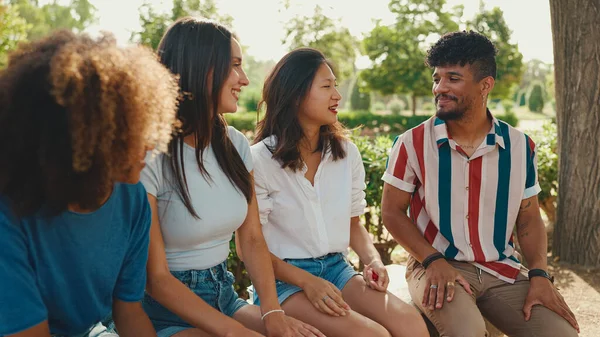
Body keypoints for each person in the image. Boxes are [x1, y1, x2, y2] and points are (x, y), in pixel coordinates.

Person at [381, 30, 579, 337]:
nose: (440, 88)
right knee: (467, 332)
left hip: (501, 270)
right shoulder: (412, 143)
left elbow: (528, 217)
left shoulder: (519, 146)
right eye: (437, 78)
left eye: (453, 79)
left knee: (561, 333)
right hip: (435, 265)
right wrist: (431, 259)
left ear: (485, 85)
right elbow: (392, 212)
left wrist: (540, 275)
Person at [139, 17, 323, 337]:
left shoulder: (235, 144)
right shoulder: (150, 154)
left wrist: (273, 312)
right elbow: (156, 279)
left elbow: (251, 239)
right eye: (234, 65)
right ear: (201, 69)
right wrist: (233, 331)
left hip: (223, 295)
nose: (245, 79)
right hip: (163, 311)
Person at [0, 30, 180, 337]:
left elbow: (130, 313)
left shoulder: (132, 199)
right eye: (130, 132)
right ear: (85, 139)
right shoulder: (10, 215)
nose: (148, 145)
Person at [250, 48, 429, 337]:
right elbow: (252, 245)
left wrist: (372, 260)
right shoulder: (259, 159)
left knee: (411, 324)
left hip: (336, 269)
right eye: (326, 86)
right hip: (283, 281)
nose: (337, 96)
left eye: (335, 85)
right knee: (373, 335)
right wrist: (307, 281)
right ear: (296, 94)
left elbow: (353, 224)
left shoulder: (347, 154)